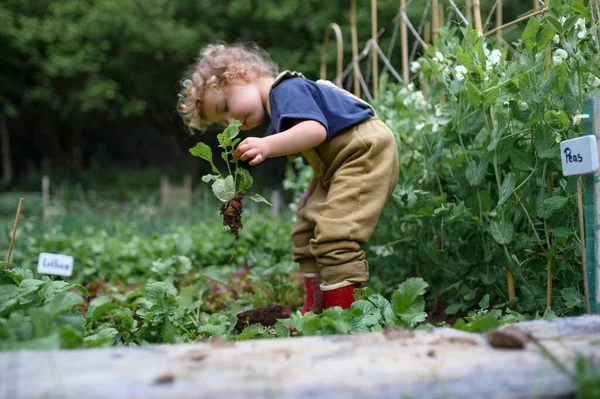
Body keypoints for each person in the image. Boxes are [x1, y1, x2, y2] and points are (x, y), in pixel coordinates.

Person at [178, 43, 399, 314]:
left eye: (225, 106)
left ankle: (345, 319)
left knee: (336, 233)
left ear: (241, 73)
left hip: (363, 151)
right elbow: (322, 154)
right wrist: (311, 191)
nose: (231, 119)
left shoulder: (285, 90)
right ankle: (315, 312)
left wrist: (267, 145)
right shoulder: (279, 111)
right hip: (339, 165)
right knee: (304, 230)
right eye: (224, 121)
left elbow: (315, 131)